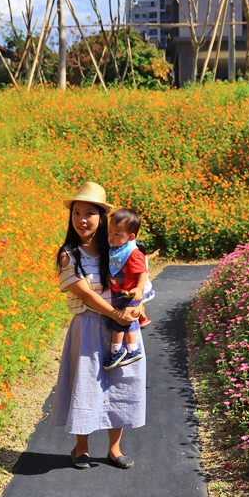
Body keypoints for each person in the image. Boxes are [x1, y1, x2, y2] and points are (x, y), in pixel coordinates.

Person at [50, 182, 145, 470]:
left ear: (101, 216)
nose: (81, 220)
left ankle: (115, 449)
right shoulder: (69, 254)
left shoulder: (119, 247)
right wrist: (117, 315)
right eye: (76, 213)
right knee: (87, 383)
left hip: (125, 325)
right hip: (90, 326)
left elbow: (141, 279)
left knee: (122, 383)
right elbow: (86, 294)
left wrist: (137, 306)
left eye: (89, 213)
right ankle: (81, 448)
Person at [103, 208, 149, 370]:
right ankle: (132, 349)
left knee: (119, 321)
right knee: (127, 322)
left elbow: (142, 272)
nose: (111, 237)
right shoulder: (116, 249)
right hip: (119, 293)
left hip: (129, 294)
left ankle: (117, 350)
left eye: (117, 234)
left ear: (131, 237)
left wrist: (139, 288)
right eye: (110, 232)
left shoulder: (133, 253)